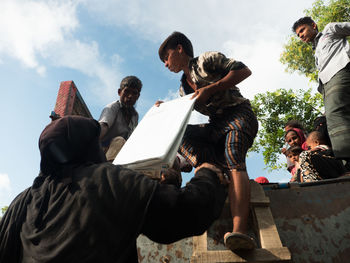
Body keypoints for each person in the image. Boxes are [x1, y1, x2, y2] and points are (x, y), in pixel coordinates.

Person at [0, 116, 228, 263]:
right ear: (89, 145)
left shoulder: (22, 201)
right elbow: (186, 212)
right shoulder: (108, 181)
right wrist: (206, 174)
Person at [158, 31, 258, 251]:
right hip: (216, 125)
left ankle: (239, 230)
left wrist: (211, 88)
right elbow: (181, 112)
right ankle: (211, 167)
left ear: (180, 49)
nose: (165, 64)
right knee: (182, 133)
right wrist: (163, 108)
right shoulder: (183, 87)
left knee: (233, 157)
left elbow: (244, 70)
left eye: (166, 57)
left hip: (239, 114)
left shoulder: (206, 60)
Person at [292, 17, 350, 169]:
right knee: (333, 118)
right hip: (326, 84)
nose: (301, 36)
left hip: (339, 72)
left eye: (302, 30)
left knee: (336, 116)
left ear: (313, 25)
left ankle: (346, 161)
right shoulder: (316, 50)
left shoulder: (330, 30)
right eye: (298, 35)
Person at [99, 76, 142, 161]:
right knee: (119, 141)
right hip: (103, 152)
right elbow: (103, 126)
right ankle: (108, 170)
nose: (130, 96)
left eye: (134, 93)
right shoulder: (113, 107)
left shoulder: (135, 116)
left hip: (122, 155)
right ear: (119, 92)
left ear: (138, 96)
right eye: (127, 91)